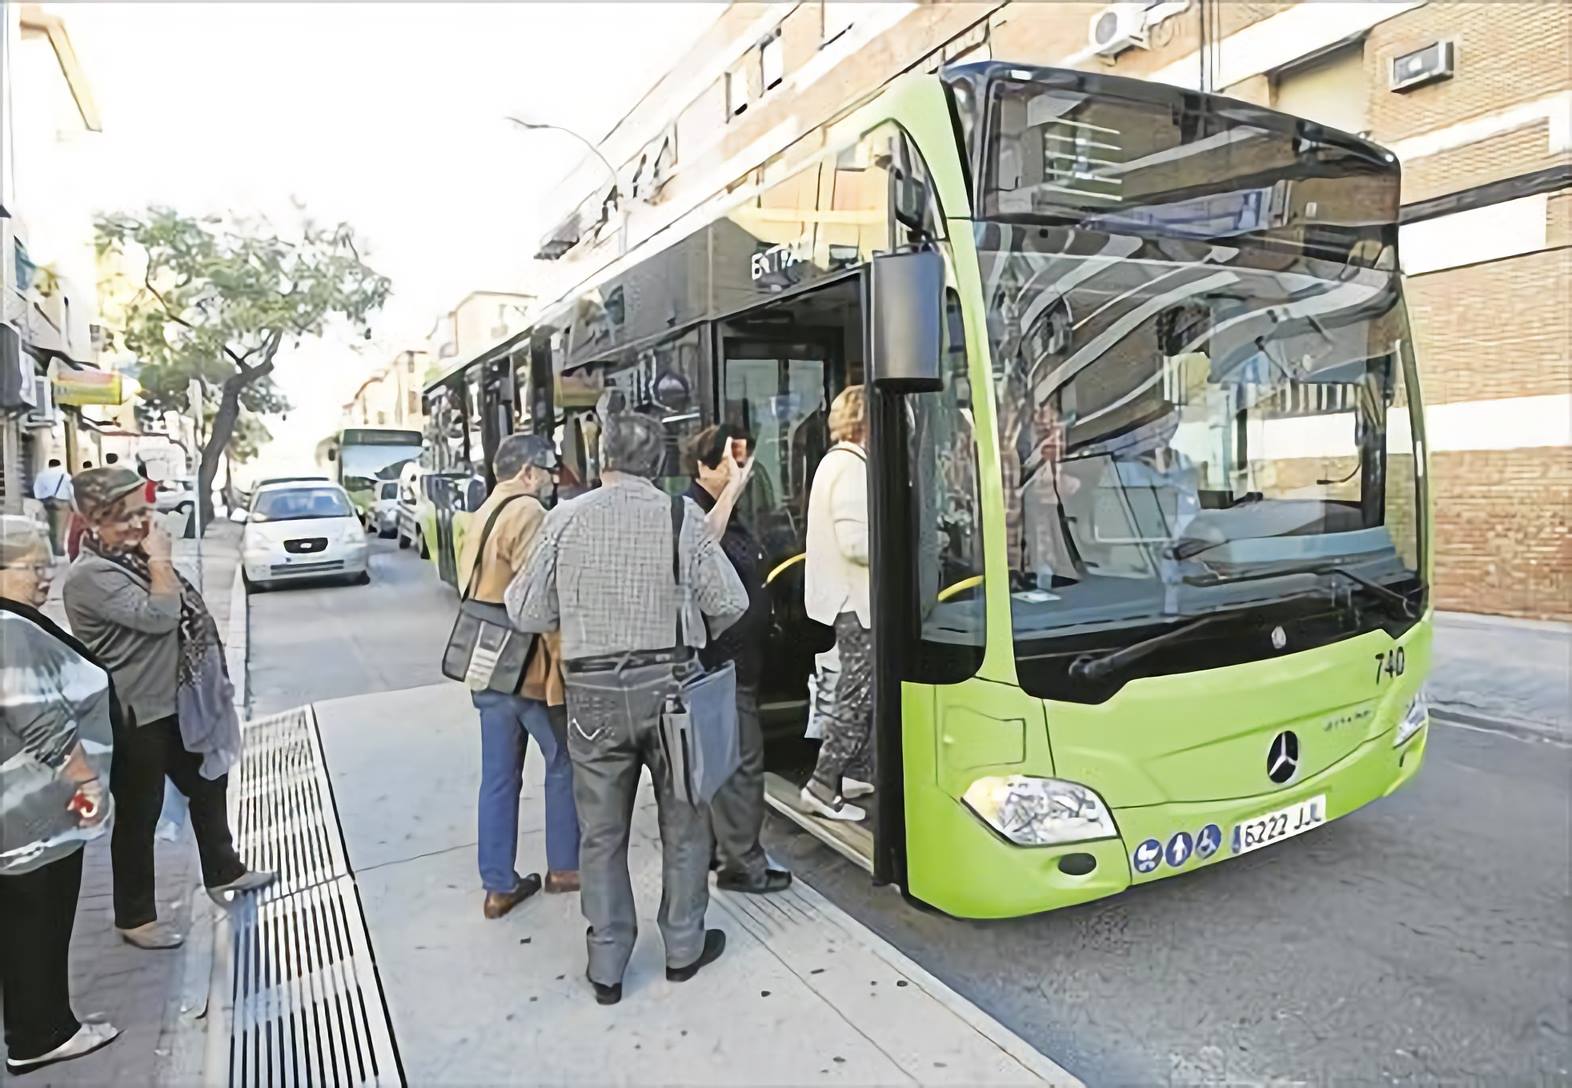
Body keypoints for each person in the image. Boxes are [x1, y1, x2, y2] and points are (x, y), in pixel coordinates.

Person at [508, 395, 749, 1006]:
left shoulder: (564, 516)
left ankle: (609, 962)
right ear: (659, 460)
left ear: (603, 456)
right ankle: (684, 947)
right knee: (686, 823)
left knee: (601, 832)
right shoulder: (679, 517)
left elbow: (528, 609)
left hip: (589, 694)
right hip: (671, 689)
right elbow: (730, 601)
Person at [62, 467, 273, 951]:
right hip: (136, 711)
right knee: (141, 812)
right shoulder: (90, 575)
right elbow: (160, 617)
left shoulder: (131, 558)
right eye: (126, 517)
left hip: (175, 703)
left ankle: (224, 871)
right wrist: (160, 561)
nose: (141, 524)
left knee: (207, 781)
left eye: (144, 511)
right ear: (95, 522)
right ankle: (134, 916)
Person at [0, 517, 122, 1075]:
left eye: (49, 565)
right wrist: (88, 781)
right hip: (32, 812)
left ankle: (35, 1026)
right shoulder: (6, 631)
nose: (45, 578)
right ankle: (43, 1034)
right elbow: (39, 720)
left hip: (19, 810)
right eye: (33, 568)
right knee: (39, 924)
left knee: (25, 923)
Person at [456, 434, 580, 919]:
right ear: (527, 472)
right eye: (549, 470)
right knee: (563, 761)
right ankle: (565, 867)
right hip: (524, 668)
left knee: (498, 776)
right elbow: (539, 600)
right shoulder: (527, 511)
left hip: (486, 664)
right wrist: (566, 665)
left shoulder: (483, 511)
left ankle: (498, 884)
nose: (553, 479)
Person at [682, 425, 791, 895]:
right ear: (703, 467)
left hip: (740, 659)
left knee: (718, 761)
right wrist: (732, 491)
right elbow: (701, 546)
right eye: (727, 460)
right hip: (719, 661)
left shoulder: (736, 511)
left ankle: (713, 848)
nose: (739, 469)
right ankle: (743, 864)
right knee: (742, 765)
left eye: (742, 458)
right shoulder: (693, 510)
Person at [801, 386, 876, 822]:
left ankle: (853, 771)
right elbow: (856, 543)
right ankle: (822, 783)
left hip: (845, 598)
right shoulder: (850, 468)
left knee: (858, 688)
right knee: (857, 694)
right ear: (868, 421)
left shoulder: (836, 462)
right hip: (856, 599)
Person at [32, 459, 73, 557]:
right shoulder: (66, 475)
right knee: (61, 528)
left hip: (47, 503)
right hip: (63, 503)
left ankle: (51, 550)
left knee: (50, 527)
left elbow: (36, 490)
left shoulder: (41, 475)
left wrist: (41, 499)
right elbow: (71, 490)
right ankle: (59, 550)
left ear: (49, 465)